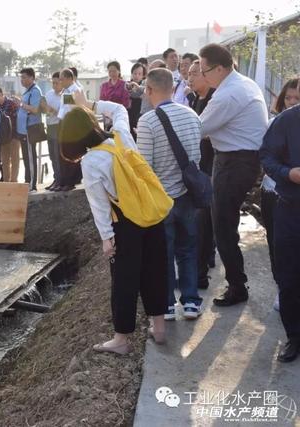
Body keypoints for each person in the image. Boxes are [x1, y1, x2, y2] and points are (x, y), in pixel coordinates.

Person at [59, 99, 168, 354]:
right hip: (152, 215)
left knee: (124, 280)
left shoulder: (91, 161)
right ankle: (160, 328)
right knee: (155, 270)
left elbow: (99, 206)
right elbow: (119, 109)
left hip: (126, 224)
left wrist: (107, 239)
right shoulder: (121, 136)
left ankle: (121, 340)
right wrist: (92, 104)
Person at [198, 43, 268, 306]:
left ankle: (238, 287)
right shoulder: (242, 83)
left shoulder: (229, 94)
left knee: (223, 226)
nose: (203, 77)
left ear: (219, 68)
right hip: (237, 160)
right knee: (224, 224)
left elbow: (200, 128)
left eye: (204, 71)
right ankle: (237, 282)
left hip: (234, 163)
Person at [137, 68, 203, 320]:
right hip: (188, 194)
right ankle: (191, 302)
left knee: (163, 252)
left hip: (161, 198)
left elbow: (145, 167)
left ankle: (166, 306)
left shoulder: (148, 121)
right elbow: (196, 157)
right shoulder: (192, 115)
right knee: (187, 248)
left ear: (150, 89)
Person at [259, 84, 300, 363]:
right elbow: (266, 157)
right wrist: (288, 173)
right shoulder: (287, 120)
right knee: (288, 277)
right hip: (290, 210)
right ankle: (294, 337)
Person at [187, 60, 217, 290]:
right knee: (202, 221)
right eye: (188, 74)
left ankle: (199, 275)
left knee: (202, 221)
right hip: (198, 166)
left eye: (195, 73)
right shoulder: (195, 98)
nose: (190, 78)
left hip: (211, 166)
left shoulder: (215, 99)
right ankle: (202, 267)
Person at [55, 68, 85, 192]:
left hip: (71, 124)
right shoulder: (65, 91)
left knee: (70, 153)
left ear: (68, 78)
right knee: (62, 153)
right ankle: (63, 181)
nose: (60, 82)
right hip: (63, 122)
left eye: (62, 79)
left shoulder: (76, 91)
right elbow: (63, 109)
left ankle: (70, 181)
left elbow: (74, 109)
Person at [16, 67, 44, 192]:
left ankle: (32, 185)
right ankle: (28, 181)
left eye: (24, 77)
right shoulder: (28, 91)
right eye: (21, 77)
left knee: (30, 157)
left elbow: (34, 109)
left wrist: (20, 104)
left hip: (29, 130)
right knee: (26, 158)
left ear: (32, 78)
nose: (22, 80)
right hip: (23, 130)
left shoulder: (35, 91)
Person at [0, 86, 20, 182]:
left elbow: (14, 119)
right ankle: (6, 182)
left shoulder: (11, 103)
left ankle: (14, 181)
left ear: (0, 94)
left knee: (15, 160)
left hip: (14, 136)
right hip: (3, 138)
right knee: (4, 161)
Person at [44, 71, 63, 190]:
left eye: (56, 83)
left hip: (59, 126)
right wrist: (46, 109)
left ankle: (61, 180)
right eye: (53, 83)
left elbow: (68, 113)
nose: (54, 85)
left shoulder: (66, 95)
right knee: (51, 155)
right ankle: (56, 179)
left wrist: (53, 110)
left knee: (58, 155)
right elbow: (45, 110)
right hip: (50, 126)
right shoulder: (48, 94)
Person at [126, 63, 146, 140]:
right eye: (135, 73)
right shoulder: (127, 85)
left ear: (143, 75)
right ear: (131, 74)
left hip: (139, 115)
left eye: (139, 74)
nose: (137, 76)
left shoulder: (144, 86)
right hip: (128, 114)